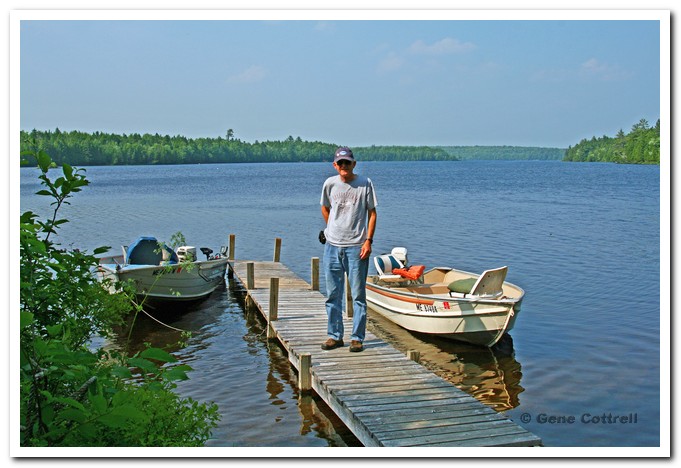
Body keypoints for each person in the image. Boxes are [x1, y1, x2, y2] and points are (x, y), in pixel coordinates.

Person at [320, 147, 377, 353]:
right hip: (332, 247)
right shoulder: (329, 184)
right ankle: (335, 336)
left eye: (347, 162)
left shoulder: (365, 184)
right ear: (335, 165)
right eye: (340, 163)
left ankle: (357, 338)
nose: (344, 166)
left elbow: (372, 213)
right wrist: (330, 229)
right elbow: (325, 208)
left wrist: (368, 240)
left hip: (357, 247)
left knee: (358, 295)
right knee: (333, 294)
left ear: (354, 164)